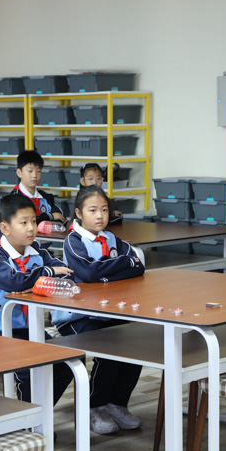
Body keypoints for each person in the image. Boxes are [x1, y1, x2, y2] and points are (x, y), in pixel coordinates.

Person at [53, 185, 145, 434]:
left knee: (135, 347)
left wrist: (104, 272)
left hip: (107, 311)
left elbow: (138, 266)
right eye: (92, 210)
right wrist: (118, 266)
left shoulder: (111, 238)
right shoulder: (74, 240)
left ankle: (117, 404)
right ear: (79, 213)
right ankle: (95, 407)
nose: (100, 216)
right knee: (110, 349)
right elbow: (87, 272)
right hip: (76, 315)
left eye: (104, 210)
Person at [0, 194, 74, 404]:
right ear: (5, 228)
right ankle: (29, 418)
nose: (31, 228)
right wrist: (44, 275)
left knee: (66, 365)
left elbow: (65, 272)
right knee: (29, 369)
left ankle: (40, 413)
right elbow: (15, 281)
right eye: (24, 223)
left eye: (34, 221)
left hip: (29, 328)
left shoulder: (36, 250)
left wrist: (33, 283)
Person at [11, 150, 67, 227]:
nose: (34, 175)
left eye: (38, 171)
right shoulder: (14, 199)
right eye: (30, 171)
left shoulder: (45, 197)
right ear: (19, 173)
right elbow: (27, 223)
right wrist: (50, 216)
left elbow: (61, 218)